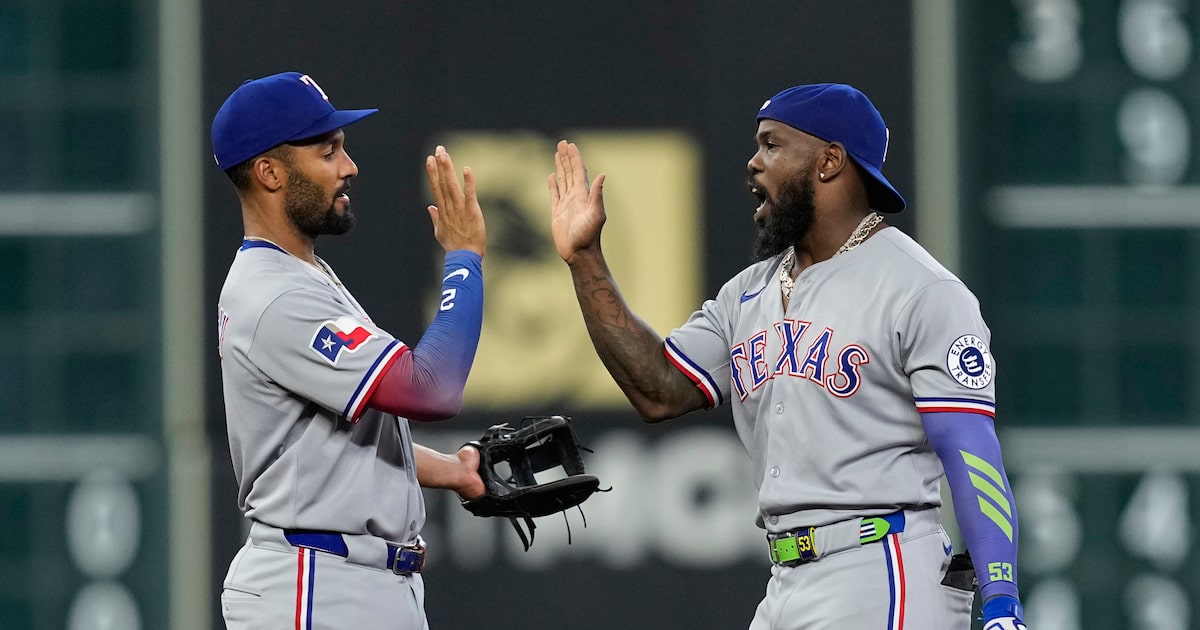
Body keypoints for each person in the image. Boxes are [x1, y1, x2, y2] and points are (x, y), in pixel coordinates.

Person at [548, 83, 1026, 629]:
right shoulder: (747, 294)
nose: (753, 163)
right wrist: (586, 261)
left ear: (829, 161)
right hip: (786, 582)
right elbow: (659, 390)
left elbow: (970, 450)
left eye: (772, 145)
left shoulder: (920, 290)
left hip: (883, 569)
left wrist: (1001, 600)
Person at [212, 71, 487, 629]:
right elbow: (430, 388)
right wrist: (463, 260)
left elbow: (331, 448)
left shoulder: (301, 274)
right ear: (270, 172)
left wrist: (453, 472)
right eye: (327, 150)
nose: (349, 166)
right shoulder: (275, 295)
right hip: (316, 586)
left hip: (348, 581)